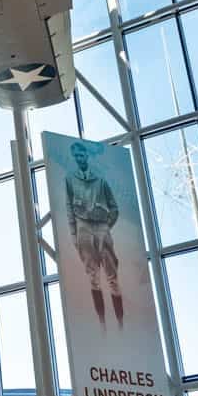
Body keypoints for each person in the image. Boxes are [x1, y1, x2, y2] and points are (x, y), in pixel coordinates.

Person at [65, 141, 123, 329]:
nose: (80, 158)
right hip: (83, 229)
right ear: (74, 157)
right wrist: (75, 234)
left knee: (112, 276)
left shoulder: (100, 180)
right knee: (93, 277)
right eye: (77, 156)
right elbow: (69, 209)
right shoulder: (70, 179)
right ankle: (102, 324)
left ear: (86, 156)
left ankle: (121, 322)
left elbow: (114, 207)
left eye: (82, 155)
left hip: (101, 227)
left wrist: (106, 226)